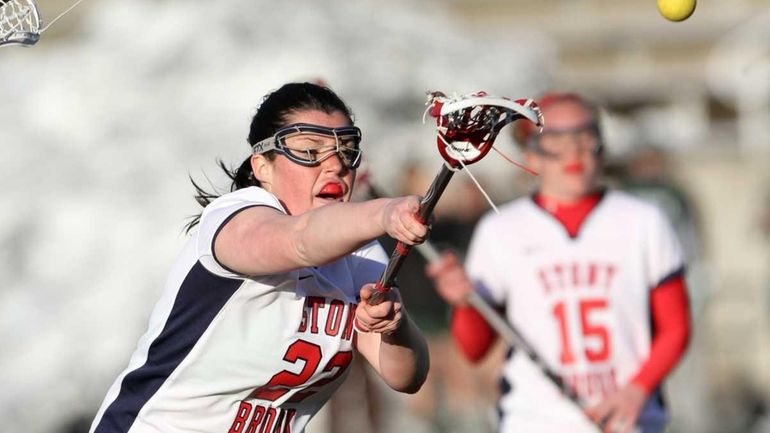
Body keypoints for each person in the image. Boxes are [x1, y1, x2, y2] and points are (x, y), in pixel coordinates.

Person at [89, 82, 430, 433]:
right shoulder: (236, 217)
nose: (335, 166)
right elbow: (300, 241)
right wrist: (386, 212)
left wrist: (394, 327)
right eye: (310, 151)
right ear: (262, 166)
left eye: (345, 150)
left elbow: (405, 376)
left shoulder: (359, 253)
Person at [425, 92, 691, 433]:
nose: (574, 153)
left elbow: (675, 327)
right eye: (555, 141)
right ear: (530, 155)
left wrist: (635, 391)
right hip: (533, 422)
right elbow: (474, 348)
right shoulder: (499, 230)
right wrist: (465, 303)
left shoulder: (644, 221)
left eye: (585, 136)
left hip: (628, 421)